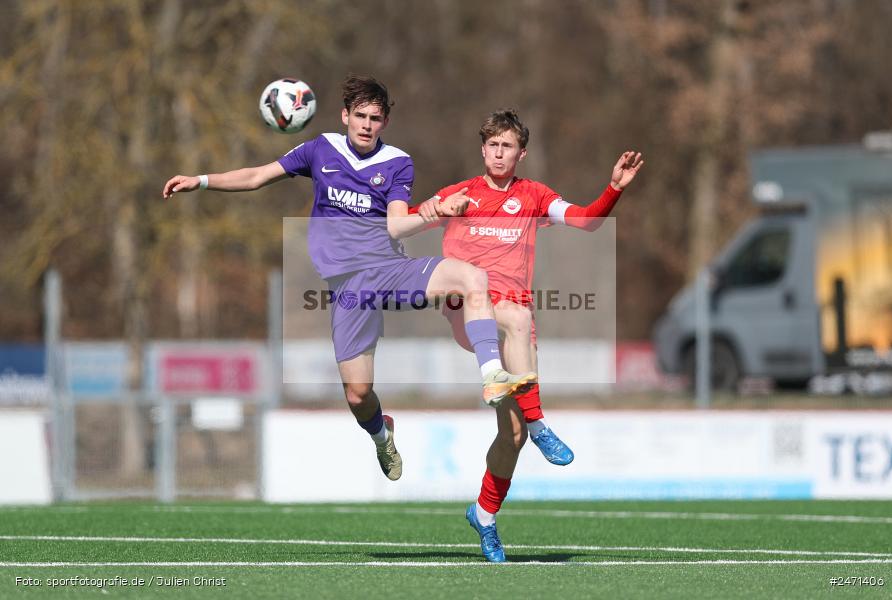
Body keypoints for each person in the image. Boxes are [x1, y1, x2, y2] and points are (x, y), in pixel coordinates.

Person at [162, 77, 536, 483]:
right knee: (358, 395)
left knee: (470, 276)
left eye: (375, 118)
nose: (366, 124)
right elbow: (256, 177)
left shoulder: (397, 162)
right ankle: (381, 434)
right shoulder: (319, 149)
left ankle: (492, 373)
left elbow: (396, 223)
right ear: (345, 116)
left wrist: (434, 212)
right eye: (360, 116)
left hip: (389, 271)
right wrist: (200, 181)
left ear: (385, 122)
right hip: (349, 289)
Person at [414, 109, 643, 562]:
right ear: (483, 150)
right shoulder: (459, 193)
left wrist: (613, 188)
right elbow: (402, 221)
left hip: (515, 317)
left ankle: (484, 515)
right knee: (516, 322)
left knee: (510, 433)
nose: (499, 154)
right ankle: (542, 424)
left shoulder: (534, 196)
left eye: (508, 146)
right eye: (492, 145)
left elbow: (585, 220)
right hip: (471, 312)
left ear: (522, 153)